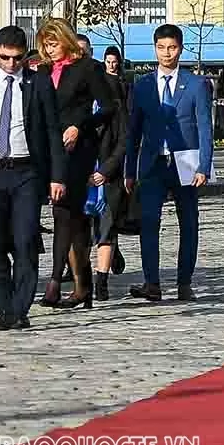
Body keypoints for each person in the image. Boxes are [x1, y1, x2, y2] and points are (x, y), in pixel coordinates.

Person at [0, 27, 66, 330]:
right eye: (4, 57)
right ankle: (5, 308)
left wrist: (57, 176)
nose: (10, 64)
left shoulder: (38, 83)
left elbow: (52, 132)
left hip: (27, 173)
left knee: (24, 241)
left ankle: (20, 308)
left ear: (25, 56)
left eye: (17, 59)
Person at [123, 25, 212, 303]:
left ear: (180, 49)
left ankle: (184, 282)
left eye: (171, 47)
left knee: (189, 223)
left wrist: (204, 166)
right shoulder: (143, 85)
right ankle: (152, 283)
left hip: (185, 162)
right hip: (152, 164)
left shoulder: (196, 85)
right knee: (149, 222)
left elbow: (205, 127)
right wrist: (129, 169)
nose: (166, 53)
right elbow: (133, 131)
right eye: (161, 47)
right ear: (155, 49)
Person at [37, 17, 117, 311]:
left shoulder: (88, 68)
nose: (50, 49)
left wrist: (80, 126)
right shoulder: (43, 70)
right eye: (46, 44)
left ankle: (55, 281)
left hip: (78, 150)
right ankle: (84, 286)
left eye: (54, 43)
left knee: (62, 211)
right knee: (76, 220)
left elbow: (108, 108)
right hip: (50, 149)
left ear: (66, 40)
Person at [91, 45, 132, 299]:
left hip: (109, 175)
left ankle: (101, 283)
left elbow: (124, 140)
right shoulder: (78, 110)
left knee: (105, 229)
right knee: (89, 231)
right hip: (82, 177)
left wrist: (106, 170)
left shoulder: (117, 107)